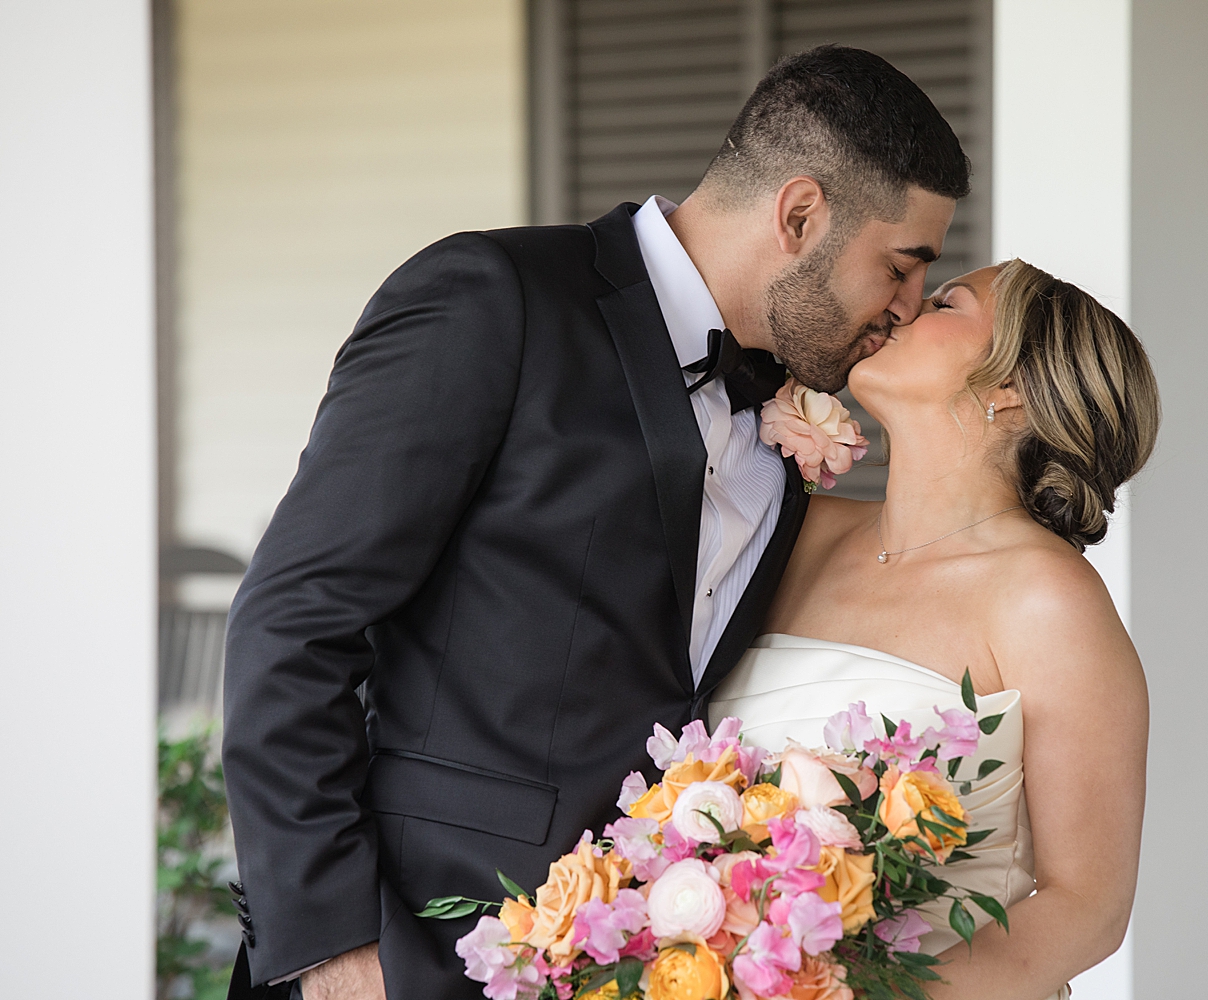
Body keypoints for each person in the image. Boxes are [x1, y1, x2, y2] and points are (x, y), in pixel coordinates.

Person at [221, 45, 968, 1000]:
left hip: (633, 960)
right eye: (901, 269)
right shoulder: (493, 297)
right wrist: (331, 954)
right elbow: (295, 620)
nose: (905, 310)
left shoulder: (782, 407)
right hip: (405, 950)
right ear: (800, 214)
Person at [711, 260, 1160, 998]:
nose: (900, 309)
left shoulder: (1047, 600)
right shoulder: (792, 531)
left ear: (1011, 388)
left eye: (947, 301)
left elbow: (1090, 905)